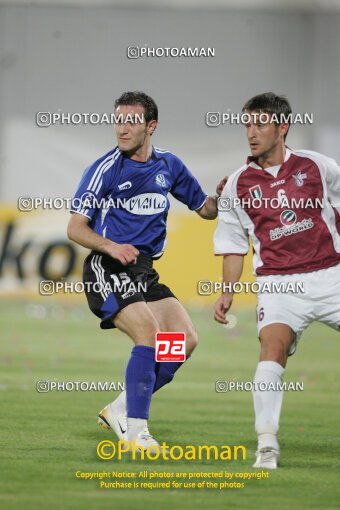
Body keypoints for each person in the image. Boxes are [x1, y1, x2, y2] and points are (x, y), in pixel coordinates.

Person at [67, 91, 219, 452]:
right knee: (149, 335)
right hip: (108, 266)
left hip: (144, 272)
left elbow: (205, 210)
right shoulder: (105, 168)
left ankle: (121, 408)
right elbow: (75, 228)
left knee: (184, 339)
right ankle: (136, 432)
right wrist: (110, 246)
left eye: (131, 120)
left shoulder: (169, 166)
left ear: (150, 126)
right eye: (118, 119)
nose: (122, 127)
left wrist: (224, 196)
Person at [213, 92, 340, 469]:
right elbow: (233, 244)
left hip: (331, 273)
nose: (252, 132)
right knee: (272, 349)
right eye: (247, 124)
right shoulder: (236, 185)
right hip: (279, 283)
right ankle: (267, 443)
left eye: (260, 124)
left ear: (282, 127)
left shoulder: (319, 166)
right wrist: (227, 291)